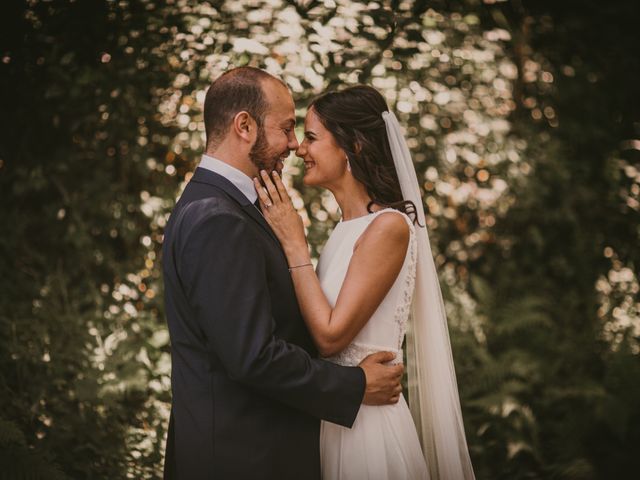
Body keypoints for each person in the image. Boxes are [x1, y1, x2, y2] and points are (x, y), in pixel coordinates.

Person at [161, 68, 405, 479]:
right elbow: (253, 356)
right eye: (288, 129)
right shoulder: (217, 217)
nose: (294, 145)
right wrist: (355, 385)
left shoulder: (228, 208)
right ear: (244, 126)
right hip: (240, 460)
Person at [256, 85, 476, 479]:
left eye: (310, 138)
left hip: (368, 431)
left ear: (352, 147)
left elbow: (330, 336)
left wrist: (294, 243)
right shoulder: (346, 229)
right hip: (337, 415)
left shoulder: (388, 227)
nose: (300, 150)